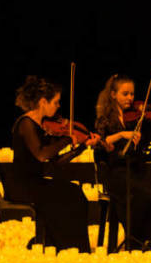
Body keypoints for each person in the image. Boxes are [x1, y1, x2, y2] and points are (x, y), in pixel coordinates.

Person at [6, 75, 103, 253]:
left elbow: (57, 163)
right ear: (43, 101)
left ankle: (68, 246)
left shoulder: (41, 125)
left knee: (74, 192)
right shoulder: (26, 124)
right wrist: (67, 139)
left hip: (35, 182)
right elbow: (42, 155)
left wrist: (81, 147)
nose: (59, 106)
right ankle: (62, 245)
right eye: (56, 102)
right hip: (22, 184)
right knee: (66, 195)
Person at [94, 74, 151, 250]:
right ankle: (138, 240)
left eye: (132, 94)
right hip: (115, 172)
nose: (130, 98)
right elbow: (99, 142)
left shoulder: (136, 117)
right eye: (125, 94)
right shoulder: (105, 118)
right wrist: (121, 134)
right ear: (113, 94)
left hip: (136, 169)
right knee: (144, 194)